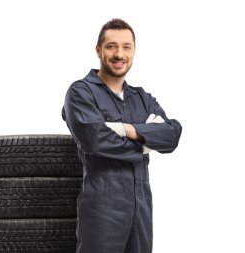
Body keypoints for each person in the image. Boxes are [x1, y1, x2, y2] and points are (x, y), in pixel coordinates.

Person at [61, 18, 182, 253]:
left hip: (142, 207)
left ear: (134, 51)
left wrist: (129, 130)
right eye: (111, 46)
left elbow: (172, 134)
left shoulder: (142, 98)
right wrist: (147, 143)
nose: (119, 54)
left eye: (126, 46)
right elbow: (95, 140)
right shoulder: (81, 92)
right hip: (102, 209)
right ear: (98, 50)